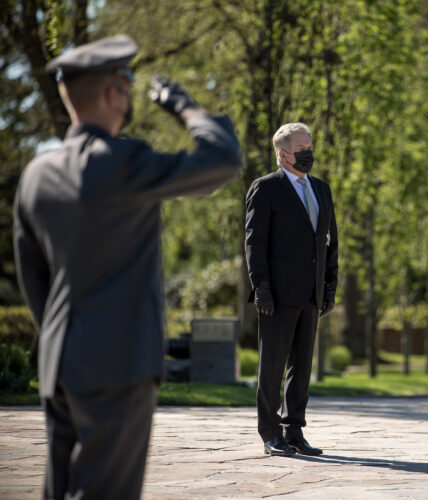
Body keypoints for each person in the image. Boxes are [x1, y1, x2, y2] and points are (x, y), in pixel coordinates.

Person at [13, 34, 242, 499]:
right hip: (117, 365)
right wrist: (184, 107)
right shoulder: (123, 163)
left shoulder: (37, 174)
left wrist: (61, 337)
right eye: (129, 85)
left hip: (59, 363)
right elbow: (222, 159)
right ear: (113, 94)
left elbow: (33, 277)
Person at [245, 122, 338, 457]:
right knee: (272, 365)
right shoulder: (265, 188)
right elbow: (254, 243)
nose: (308, 152)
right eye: (301, 147)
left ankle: (293, 430)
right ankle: (270, 434)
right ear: (283, 154)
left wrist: (329, 285)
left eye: (310, 145)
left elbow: (330, 243)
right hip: (278, 295)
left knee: (301, 367)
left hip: (311, 294)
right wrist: (261, 288)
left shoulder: (322, 189)